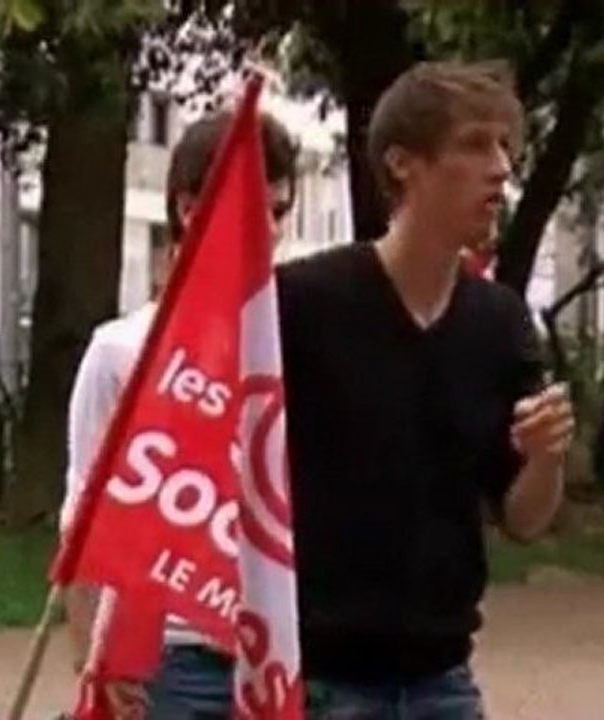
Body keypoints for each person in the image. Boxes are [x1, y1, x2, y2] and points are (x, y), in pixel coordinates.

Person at [277, 60, 573, 718]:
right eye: (474, 144)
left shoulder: (499, 322)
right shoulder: (302, 304)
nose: (500, 167)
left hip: (443, 682)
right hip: (320, 683)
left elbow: (523, 518)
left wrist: (546, 457)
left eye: (505, 146)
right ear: (403, 163)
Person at [59, 109, 299, 719]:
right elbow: (83, 526)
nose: (267, 232)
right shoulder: (120, 354)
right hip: (168, 661)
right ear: (190, 209)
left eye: (277, 213)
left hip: (275, 654)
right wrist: (96, 663)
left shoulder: (296, 351)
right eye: (252, 212)